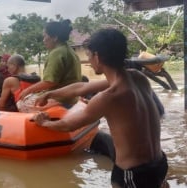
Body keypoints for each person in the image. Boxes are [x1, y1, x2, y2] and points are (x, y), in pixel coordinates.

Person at [33, 28, 168, 187]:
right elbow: (81, 87)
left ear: (97, 56)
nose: (89, 61)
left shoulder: (108, 98)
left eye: (89, 55)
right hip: (159, 164)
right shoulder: (138, 78)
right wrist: (49, 94)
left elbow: (68, 125)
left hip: (133, 174)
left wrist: (44, 123)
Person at [19, 19, 82, 107]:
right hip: (72, 98)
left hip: (60, 100)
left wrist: (28, 90)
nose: (44, 40)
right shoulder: (69, 50)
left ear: (55, 37)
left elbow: (50, 82)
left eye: (45, 36)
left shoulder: (57, 53)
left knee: (22, 103)